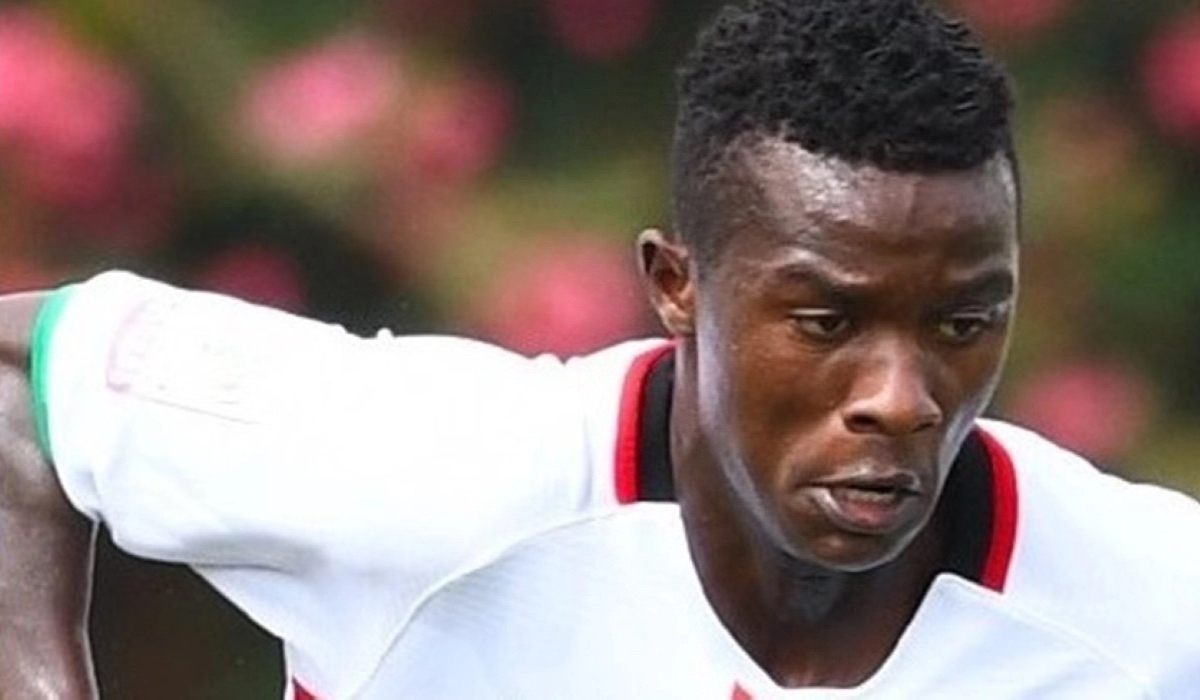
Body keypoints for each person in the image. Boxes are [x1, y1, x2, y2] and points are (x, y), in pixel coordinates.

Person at [2, 0, 1199, 697]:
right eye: (826, 323)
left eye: (962, 324)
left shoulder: (1146, 605)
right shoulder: (424, 474)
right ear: (677, 285)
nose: (903, 398)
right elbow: (19, 370)